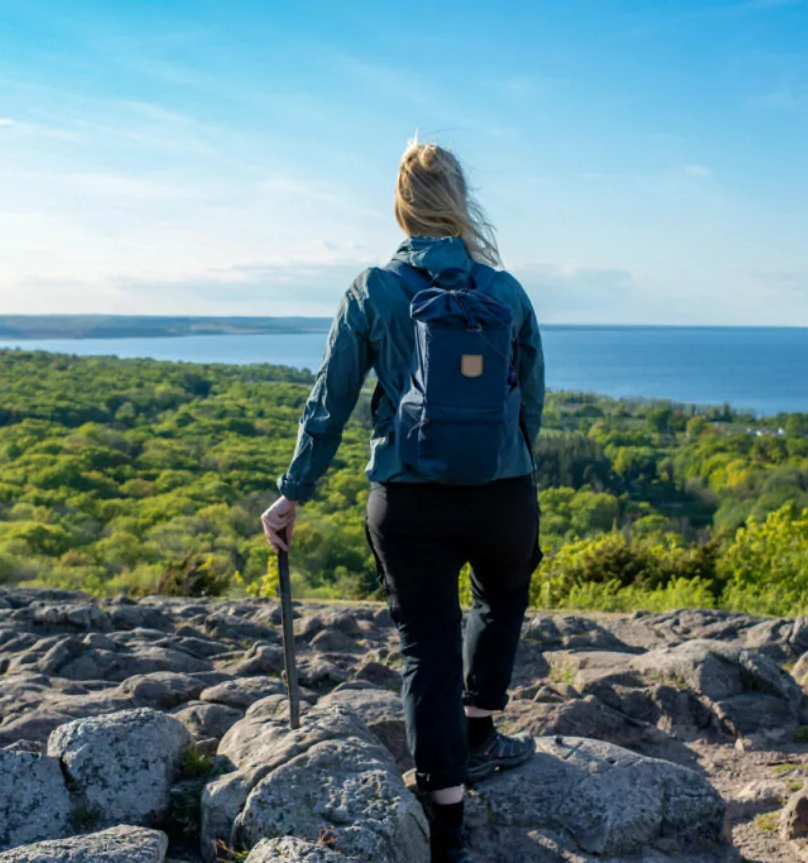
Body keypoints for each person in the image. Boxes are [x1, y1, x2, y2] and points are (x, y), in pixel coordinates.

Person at [261, 140, 545, 863]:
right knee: (502, 595)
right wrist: (510, 469)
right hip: (501, 492)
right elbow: (530, 400)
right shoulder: (506, 291)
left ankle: (444, 818)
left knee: (427, 645)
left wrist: (292, 493)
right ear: (460, 202)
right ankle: (480, 730)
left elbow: (328, 402)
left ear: (402, 204)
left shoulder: (373, 289)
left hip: (408, 499)